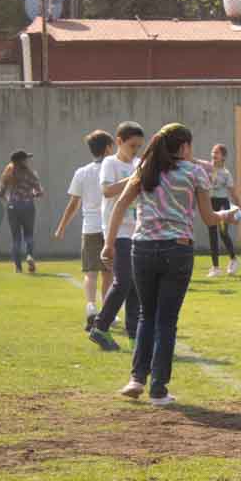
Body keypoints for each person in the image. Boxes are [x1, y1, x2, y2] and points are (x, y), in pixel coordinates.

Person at [102, 123, 236, 406]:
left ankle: (137, 378)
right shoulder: (194, 173)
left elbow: (120, 205)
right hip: (177, 248)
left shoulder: (144, 170)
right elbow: (209, 218)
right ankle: (158, 389)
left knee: (145, 316)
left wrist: (109, 243)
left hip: (142, 248)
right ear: (184, 146)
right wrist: (230, 215)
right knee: (166, 320)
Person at [88, 122, 144, 351]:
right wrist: (134, 180)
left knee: (134, 285)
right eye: (132, 146)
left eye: (139, 147)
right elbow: (107, 190)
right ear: (119, 142)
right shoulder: (110, 163)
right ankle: (100, 327)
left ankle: (134, 336)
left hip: (137, 230)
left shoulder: (139, 164)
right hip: (117, 229)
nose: (135, 151)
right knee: (122, 282)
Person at [54, 130, 114, 330]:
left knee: (90, 272)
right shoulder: (113, 168)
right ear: (107, 148)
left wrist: (61, 226)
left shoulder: (82, 172)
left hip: (89, 228)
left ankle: (90, 306)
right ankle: (107, 312)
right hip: (110, 226)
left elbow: (73, 204)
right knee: (108, 273)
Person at [196, 144, 241, 277]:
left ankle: (234, 259)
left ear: (223, 156)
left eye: (216, 153)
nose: (213, 155)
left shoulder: (226, 173)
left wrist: (239, 209)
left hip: (223, 204)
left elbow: (233, 193)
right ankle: (216, 267)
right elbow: (195, 161)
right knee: (212, 233)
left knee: (223, 233)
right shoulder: (208, 167)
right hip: (210, 203)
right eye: (212, 152)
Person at [0, 150, 43, 273]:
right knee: (29, 235)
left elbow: (0, 193)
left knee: (16, 238)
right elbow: (39, 192)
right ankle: (29, 255)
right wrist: (32, 194)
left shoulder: (7, 174)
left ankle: (18, 267)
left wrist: (10, 200)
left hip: (12, 207)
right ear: (22, 161)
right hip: (27, 206)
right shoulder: (30, 174)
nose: (28, 160)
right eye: (26, 159)